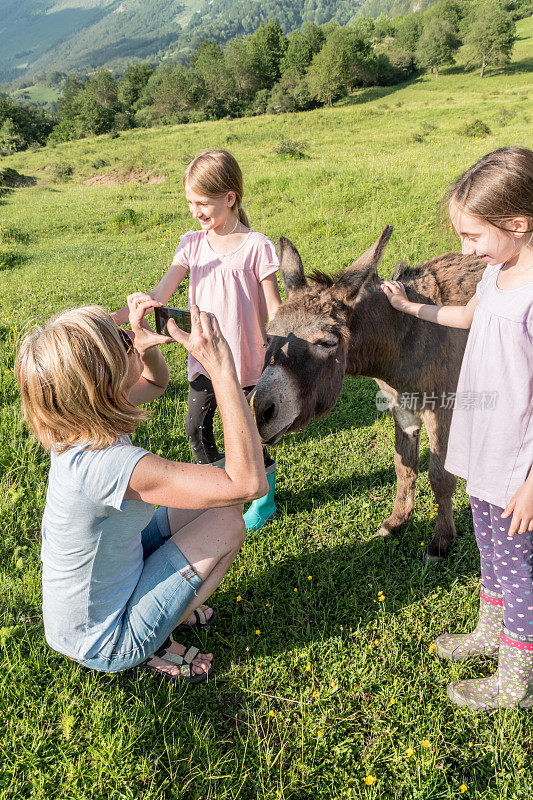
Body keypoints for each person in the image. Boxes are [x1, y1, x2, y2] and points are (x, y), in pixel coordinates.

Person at [15, 294, 268, 681]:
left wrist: (143, 346)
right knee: (228, 524)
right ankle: (155, 641)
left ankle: (164, 606)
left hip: (107, 584)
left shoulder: (79, 421)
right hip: (105, 640)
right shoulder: (108, 465)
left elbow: (155, 381)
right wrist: (222, 371)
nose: (128, 337)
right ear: (106, 381)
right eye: (121, 340)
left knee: (216, 509)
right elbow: (248, 482)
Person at [381, 146, 533, 711]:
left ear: (517, 224)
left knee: (519, 567)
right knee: (490, 549)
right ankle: (491, 632)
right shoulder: (496, 273)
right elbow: (467, 317)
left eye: (472, 237)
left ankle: (516, 680)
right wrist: (409, 308)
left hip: (519, 463)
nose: (464, 250)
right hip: (483, 443)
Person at [114, 150, 282, 532]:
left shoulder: (258, 246)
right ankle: (222, 492)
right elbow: (159, 294)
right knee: (196, 429)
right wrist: (117, 318)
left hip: (250, 363)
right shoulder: (190, 244)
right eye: (189, 203)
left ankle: (264, 497)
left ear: (230, 198)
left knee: (253, 436)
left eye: (201, 203)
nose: (194, 212)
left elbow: (275, 309)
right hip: (202, 359)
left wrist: (284, 351)